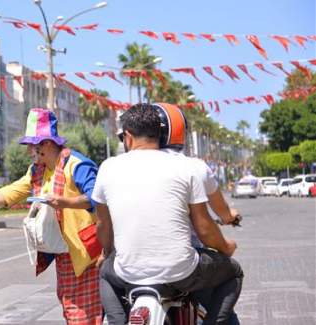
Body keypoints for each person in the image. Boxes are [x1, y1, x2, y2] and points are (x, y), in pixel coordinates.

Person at [92, 104, 243, 325]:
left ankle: (117, 322)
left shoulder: (108, 167)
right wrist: (227, 248)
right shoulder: (190, 167)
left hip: (129, 273)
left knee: (106, 272)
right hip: (182, 272)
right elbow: (204, 228)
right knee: (234, 272)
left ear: (128, 137)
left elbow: (103, 226)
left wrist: (106, 252)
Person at [0, 108, 103, 324]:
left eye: (32, 145)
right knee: (70, 308)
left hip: (85, 252)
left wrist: (66, 202)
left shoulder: (76, 164)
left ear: (46, 143)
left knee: (82, 314)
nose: (30, 151)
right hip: (63, 252)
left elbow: (96, 197)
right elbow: (13, 191)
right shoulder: (38, 170)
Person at [152, 102, 243, 324]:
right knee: (231, 274)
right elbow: (213, 220)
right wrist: (229, 218)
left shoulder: (120, 167)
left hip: (133, 266)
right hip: (184, 264)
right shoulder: (194, 167)